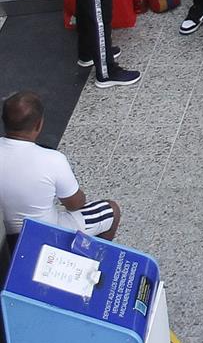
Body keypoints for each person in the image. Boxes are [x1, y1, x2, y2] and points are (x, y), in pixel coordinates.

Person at [0, 90, 122, 241]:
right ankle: (95, 259)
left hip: (4, 234)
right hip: (45, 233)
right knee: (111, 210)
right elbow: (75, 204)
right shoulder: (53, 160)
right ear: (39, 124)